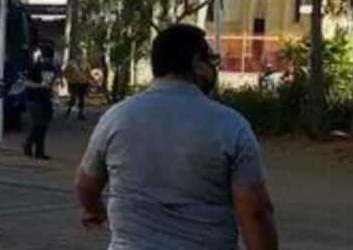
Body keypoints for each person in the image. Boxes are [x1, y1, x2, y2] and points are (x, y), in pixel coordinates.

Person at [76, 24, 278, 250]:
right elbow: (255, 212)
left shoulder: (116, 118)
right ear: (197, 63)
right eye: (211, 60)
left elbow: (86, 185)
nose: (215, 67)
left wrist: (94, 210)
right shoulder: (230, 125)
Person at [23, 44, 57, 160]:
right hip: (34, 99)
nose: (47, 60)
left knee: (43, 126)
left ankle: (39, 151)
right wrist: (40, 86)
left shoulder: (52, 68)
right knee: (39, 124)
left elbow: (51, 83)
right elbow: (27, 83)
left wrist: (51, 92)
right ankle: (28, 144)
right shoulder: (36, 67)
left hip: (45, 99)